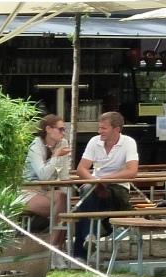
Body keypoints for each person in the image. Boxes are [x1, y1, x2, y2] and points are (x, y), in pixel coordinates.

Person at [71, 111, 140, 259]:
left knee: (85, 204)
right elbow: (81, 169)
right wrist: (95, 182)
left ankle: (83, 251)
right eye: (99, 127)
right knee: (88, 193)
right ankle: (90, 237)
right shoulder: (94, 141)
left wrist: (102, 180)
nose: (99, 131)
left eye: (103, 128)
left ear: (116, 129)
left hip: (118, 188)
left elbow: (132, 171)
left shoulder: (128, 142)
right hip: (95, 188)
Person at [21, 114, 72, 249]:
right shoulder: (36, 147)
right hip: (29, 190)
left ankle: (54, 248)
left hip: (49, 190)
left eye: (64, 130)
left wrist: (68, 198)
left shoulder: (63, 143)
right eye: (60, 129)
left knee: (64, 200)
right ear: (48, 129)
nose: (63, 133)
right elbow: (43, 175)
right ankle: (55, 248)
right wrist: (56, 156)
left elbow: (64, 174)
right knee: (63, 208)